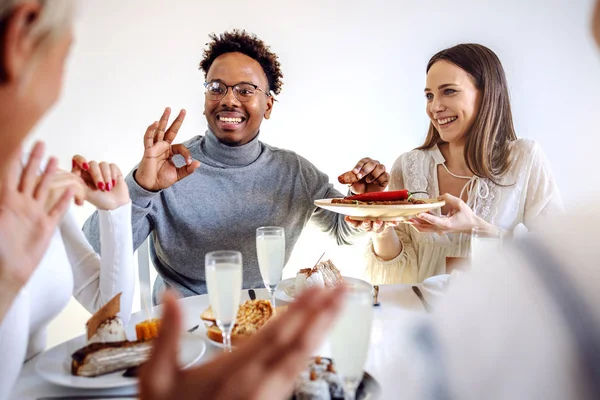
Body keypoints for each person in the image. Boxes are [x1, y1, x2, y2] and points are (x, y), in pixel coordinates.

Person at [83, 30, 389, 302]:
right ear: (205, 98)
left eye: (245, 90)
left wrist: (363, 205)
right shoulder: (167, 167)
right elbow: (94, 252)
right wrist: (140, 187)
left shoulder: (294, 172)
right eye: (217, 87)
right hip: (182, 329)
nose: (229, 100)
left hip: (261, 319)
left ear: (267, 105)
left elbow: (342, 230)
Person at [0, 2, 135, 398]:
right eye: (67, 52)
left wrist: (116, 213)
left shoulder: (27, 174)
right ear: (21, 36)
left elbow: (112, 318)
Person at [347, 43, 563, 284]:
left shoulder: (524, 159)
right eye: (429, 95)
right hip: (420, 318)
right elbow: (398, 278)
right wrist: (381, 220)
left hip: (498, 320)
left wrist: (478, 228)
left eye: (449, 91)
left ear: (487, 93)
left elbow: (560, 261)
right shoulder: (408, 165)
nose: (434, 107)